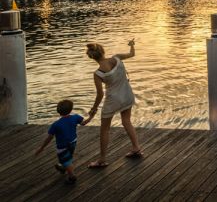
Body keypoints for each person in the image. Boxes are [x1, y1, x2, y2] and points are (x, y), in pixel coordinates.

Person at [85, 39, 142, 168]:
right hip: (127, 95)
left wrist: (93, 109)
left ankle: (102, 160)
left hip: (113, 100)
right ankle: (136, 147)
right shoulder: (117, 58)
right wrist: (132, 45)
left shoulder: (98, 73)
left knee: (104, 129)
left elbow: (100, 95)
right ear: (103, 51)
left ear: (92, 57)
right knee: (126, 121)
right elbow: (132, 54)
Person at [35, 99, 85, 184]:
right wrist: (92, 116)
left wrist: (42, 148)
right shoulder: (75, 117)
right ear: (71, 109)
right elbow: (84, 123)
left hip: (62, 146)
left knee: (66, 161)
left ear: (58, 111)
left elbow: (49, 138)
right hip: (73, 141)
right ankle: (63, 167)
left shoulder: (56, 124)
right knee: (68, 156)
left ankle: (72, 176)